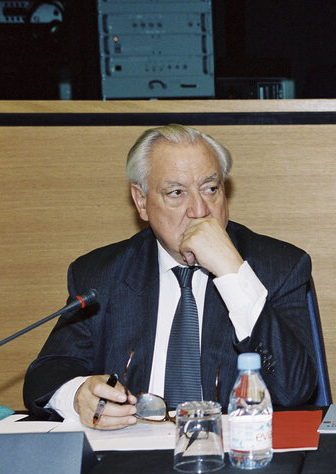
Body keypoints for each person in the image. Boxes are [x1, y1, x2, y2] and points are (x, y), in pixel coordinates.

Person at [23, 124, 318, 429]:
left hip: (233, 457)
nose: (200, 210)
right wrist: (76, 396)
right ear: (141, 202)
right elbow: (46, 374)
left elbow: (294, 390)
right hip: (130, 460)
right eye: (177, 193)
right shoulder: (102, 275)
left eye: (210, 189)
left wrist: (232, 272)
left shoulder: (279, 266)